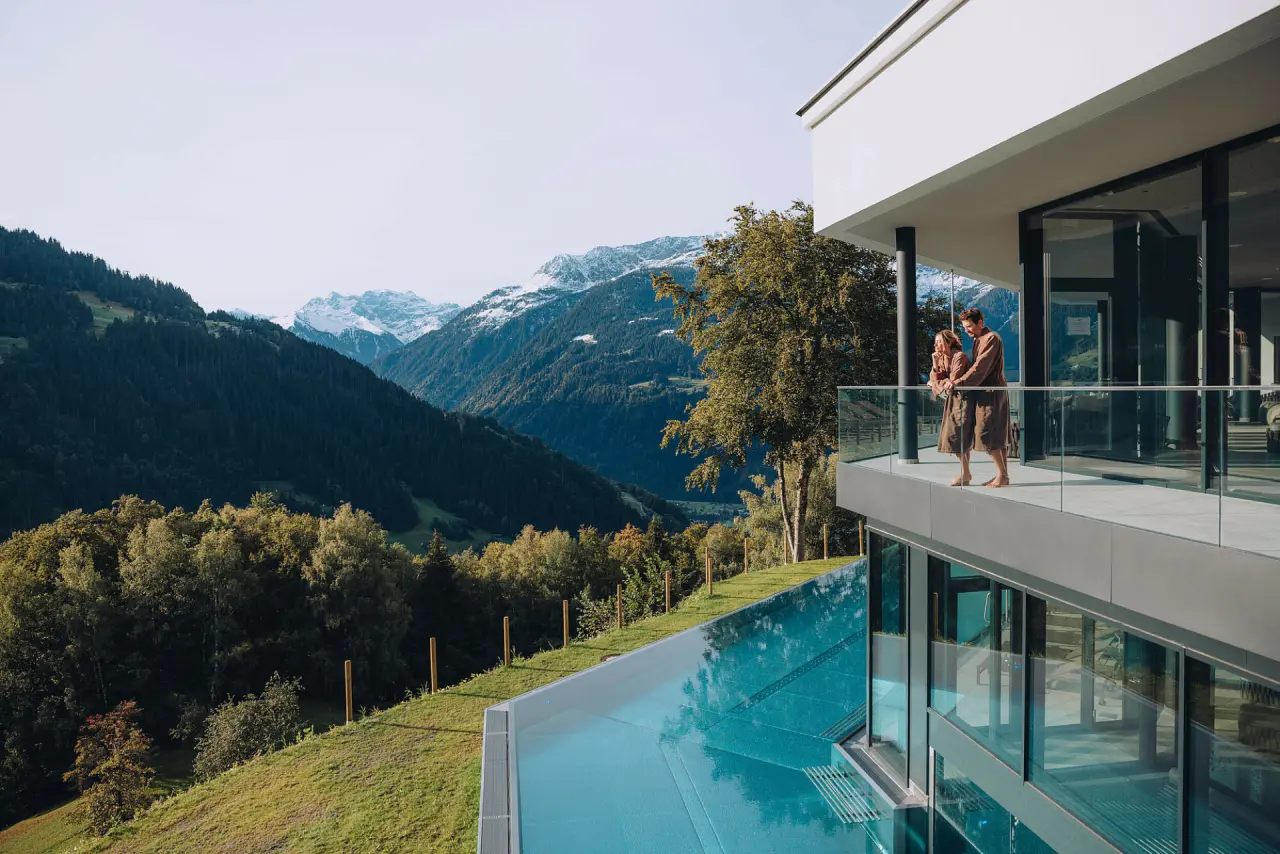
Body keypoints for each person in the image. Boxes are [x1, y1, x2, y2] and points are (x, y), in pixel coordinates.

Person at [942, 307, 1011, 487]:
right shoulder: (978, 340)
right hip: (985, 392)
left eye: (969, 326)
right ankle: (1003, 475)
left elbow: (980, 368)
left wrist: (958, 383)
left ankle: (1002, 475)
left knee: (987, 433)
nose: (966, 331)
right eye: (964, 327)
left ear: (980, 322)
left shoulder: (991, 339)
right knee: (994, 433)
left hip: (992, 392)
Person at [929, 329, 974, 486]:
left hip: (965, 400)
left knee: (955, 435)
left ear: (949, 341)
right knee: (958, 435)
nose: (936, 345)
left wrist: (936, 384)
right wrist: (935, 365)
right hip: (954, 400)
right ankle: (965, 473)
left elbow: (952, 379)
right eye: (935, 342)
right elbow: (934, 378)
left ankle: (966, 473)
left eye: (939, 341)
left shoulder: (959, 357)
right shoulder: (941, 358)